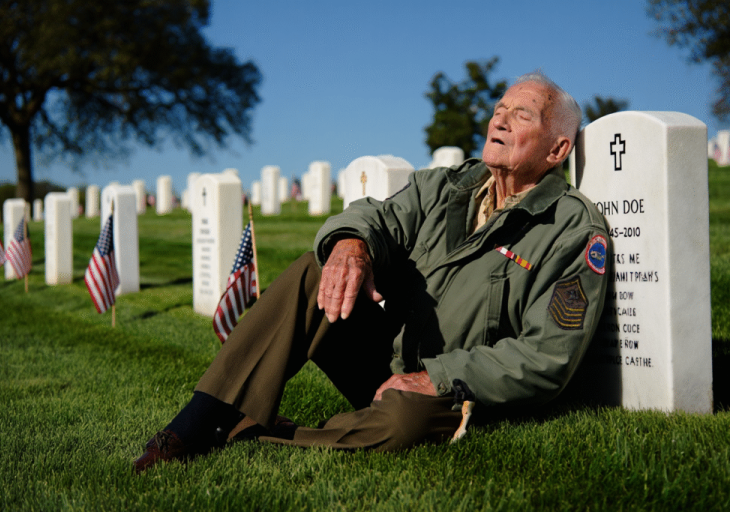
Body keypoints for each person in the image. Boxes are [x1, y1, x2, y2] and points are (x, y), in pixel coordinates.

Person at [133, 71, 610, 472]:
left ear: (557, 150)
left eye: (522, 115)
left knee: (403, 424)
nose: (499, 120)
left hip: (457, 394)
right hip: (390, 363)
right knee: (315, 271)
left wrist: (437, 377)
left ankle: (265, 434)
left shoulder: (571, 229)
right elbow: (376, 216)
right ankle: (198, 423)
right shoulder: (448, 187)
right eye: (499, 109)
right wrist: (352, 246)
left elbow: (547, 356)